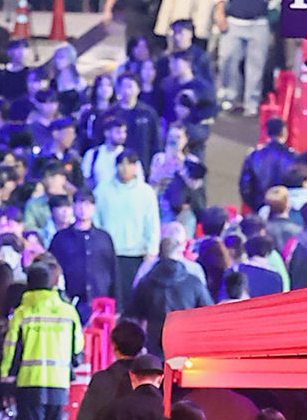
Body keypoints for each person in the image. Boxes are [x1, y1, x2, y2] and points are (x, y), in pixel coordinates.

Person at [0, 262, 82, 420]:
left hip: (30, 382)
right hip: (58, 383)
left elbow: (11, 351)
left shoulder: (23, 312)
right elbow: (77, 352)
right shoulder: (68, 312)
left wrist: (6, 382)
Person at [213, 0, 276, 115]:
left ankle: (251, 102)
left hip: (259, 24)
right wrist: (220, 14)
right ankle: (228, 98)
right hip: (234, 22)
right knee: (227, 60)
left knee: (256, 66)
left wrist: (267, 17)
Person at [124, 224, 209, 355]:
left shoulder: (146, 280)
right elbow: (207, 312)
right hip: (185, 344)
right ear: (180, 251)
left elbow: (132, 314)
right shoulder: (193, 281)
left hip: (153, 344)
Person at [92, 151, 160, 311]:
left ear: (136, 167)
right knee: (110, 299)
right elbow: (96, 220)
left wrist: (151, 251)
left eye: (129, 164)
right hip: (108, 254)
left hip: (135, 254)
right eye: (121, 164)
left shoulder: (146, 192)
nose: (124, 168)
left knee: (131, 299)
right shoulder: (102, 190)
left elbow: (153, 223)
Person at [49, 193, 116, 322]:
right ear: (73, 207)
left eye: (88, 204)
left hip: (100, 301)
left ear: (93, 208)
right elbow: (52, 267)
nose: (83, 208)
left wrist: (117, 306)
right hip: (69, 300)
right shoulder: (60, 238)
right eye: (79, 204)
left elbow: (113, 270)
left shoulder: (104, 238)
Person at [237, 116, 294, 212]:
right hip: (283, 207)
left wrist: (255, 205)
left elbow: (245, 186)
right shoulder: (292, 156)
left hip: (258, 206)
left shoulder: (254, 155)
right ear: (283, 132)